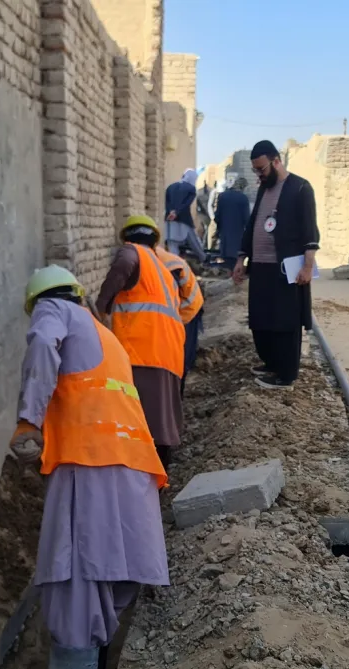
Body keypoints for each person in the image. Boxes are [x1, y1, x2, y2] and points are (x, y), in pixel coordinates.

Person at [10, 265, 170, 669]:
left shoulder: (52, 309)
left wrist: (28, 420)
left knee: (76, 578)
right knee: (108, 579)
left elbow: (41, 343)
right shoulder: (102, 334)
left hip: (90, 463)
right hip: (132, 470)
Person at [95, 217, 186, 471]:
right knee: (161, 421)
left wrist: (100, 309)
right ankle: (159, 479)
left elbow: (124, 263)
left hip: (141, 349)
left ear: (126, 238)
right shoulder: (161, 270)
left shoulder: (131, 251)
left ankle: (142, 478)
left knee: (139, 421)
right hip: (170, 352)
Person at [232, 141, 319, 390]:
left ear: (276, 161)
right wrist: (241, 259)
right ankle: (270, 363)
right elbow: (253, 225)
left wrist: (307, 266)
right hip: (260, 267)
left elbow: (310, 230)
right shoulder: (264, 189)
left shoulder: (300, 188)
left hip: (286, 268)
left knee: (285, 323)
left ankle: (286, 375)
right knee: (261, 321)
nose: (259, 175)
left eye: (261, 169)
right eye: (256, 171)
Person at [133, 215, 205, 392]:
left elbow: (167, 301)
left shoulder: (166, 266)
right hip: (174, 312)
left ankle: (176, 399)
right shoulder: (147, 259)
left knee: (179, 359)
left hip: (188, 311)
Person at [164, 169, 204, 260]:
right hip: (184, 220)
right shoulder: (191, 189)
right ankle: (204, 259)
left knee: (172, 246)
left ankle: (174, 268)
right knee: (195, 242)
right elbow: (186, 204)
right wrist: (176, 212)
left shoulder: (171, 187)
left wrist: (171, 212)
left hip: (169, 220)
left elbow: (167, 202)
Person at [214, 177, 251, 271]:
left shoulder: (222, 196)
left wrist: (219, 229)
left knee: (226, 259)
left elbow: (217, 216)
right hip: (238, 234)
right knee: (235, 261)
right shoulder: (243, 198)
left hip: (225, 234)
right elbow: (246, 219)